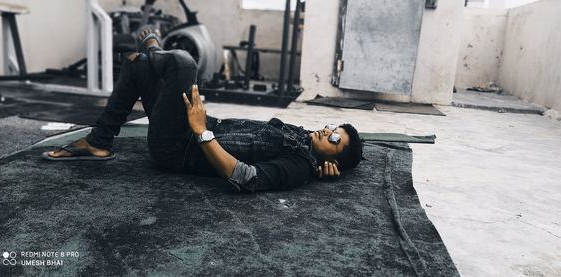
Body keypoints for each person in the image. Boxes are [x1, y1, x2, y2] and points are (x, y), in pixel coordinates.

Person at [42, 30, 363, 192]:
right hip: (193, 126)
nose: (327, 131)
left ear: (331, 158)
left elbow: (246, 178)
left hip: (179, 147)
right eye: (333, 128)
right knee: (141, 70)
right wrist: (327, 164)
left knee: (182, 62)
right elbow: (337, 156)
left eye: (334, 139)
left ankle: (152, 49)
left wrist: (201, 131)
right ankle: (99, 141)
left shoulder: (298, 166)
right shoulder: (302, 141)